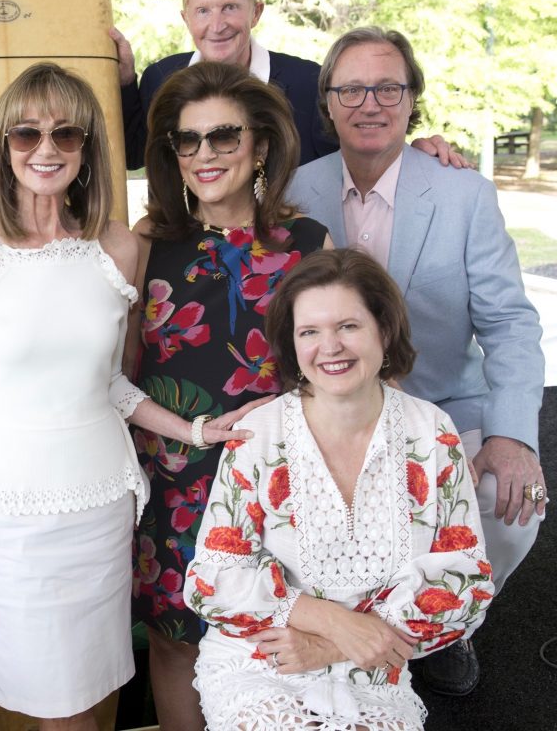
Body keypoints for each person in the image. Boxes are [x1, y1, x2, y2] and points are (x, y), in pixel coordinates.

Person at [0, 62, 262, 730]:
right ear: (3, 144)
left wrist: (194, 432)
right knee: (55, 712)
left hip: (104, 513)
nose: (46, 150)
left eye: (66, 133)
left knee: (99, 701)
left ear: (88, 148)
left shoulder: (117, 247)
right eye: (26, 133)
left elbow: (109, 384)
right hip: (12, 522)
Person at [287, 26, 546, 696]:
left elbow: (510, 324)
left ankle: (445, 629)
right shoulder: (292, 192)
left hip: (442, 405)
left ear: (411, 100)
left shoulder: (463, 193)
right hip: (331, 415)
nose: (369, 102)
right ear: (328, 102)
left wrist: (513, 437)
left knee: (508, 500)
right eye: (351, 88)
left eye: (388, 87)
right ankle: (352, 624)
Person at [187, 247, 494, 730]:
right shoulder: (258, 436)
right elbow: (212, 582)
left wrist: (334, 646)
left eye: (348, 326)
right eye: (310, 331)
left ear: (384, 330)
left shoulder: (433, 432)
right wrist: (329, 621)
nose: (329, 347)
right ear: (292, 344)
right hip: (265, 658)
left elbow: (466, 581)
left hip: (376, 664)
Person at [126, 60, 330, 730]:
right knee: (176, 639)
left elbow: (339, 370)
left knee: (278, 638)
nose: (205, 154)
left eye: (224, 136)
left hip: (284, 485)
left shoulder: (308, 246)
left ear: (261, 144)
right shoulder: (144, 247)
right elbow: (119, 379)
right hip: (175, 478)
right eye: (189, 140)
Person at [111, 0, 465, 171]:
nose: (216, 24)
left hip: (290, 260)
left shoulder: (308, 82)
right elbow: (132, 157)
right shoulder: (161, 77)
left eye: (230, 7)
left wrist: (416, 152)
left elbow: (359, 158)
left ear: (256, 12)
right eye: (203, 10)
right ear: (186, 17)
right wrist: (126, 82)